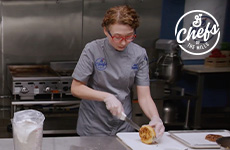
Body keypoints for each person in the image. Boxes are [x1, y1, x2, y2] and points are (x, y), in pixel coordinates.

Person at [71, 5, 165, 139]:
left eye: (129, 36)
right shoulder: (92, 50)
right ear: (105, 30)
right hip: (93, 125)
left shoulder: (139, 54)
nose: (123, 42)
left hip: (124, 125)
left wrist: (155, 117)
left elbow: (144, 96)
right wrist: (106, 96)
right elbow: (76, 88)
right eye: (117, 37)